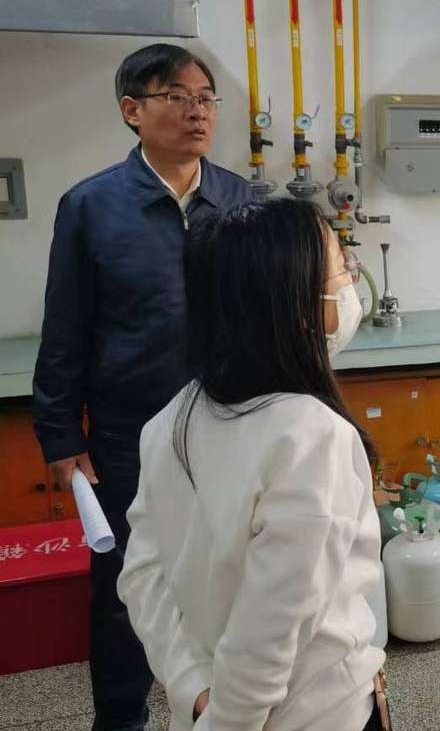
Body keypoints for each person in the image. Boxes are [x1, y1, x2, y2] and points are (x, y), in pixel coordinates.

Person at [32, 43, 252, 731]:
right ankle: (122, 718)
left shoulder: (242, 201)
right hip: (129, 434)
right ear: (132, 110)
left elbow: (270, 314)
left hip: (230, 426)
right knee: (128, 584)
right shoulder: (91, 205)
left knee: (233, 572)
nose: (198, 112)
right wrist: (60, 434)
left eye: (206, 99)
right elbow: (65, 324)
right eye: (177, 98)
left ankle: (232, 707)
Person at [117, 198, 386, 730]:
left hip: (207, 705)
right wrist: (227, 720)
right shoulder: (312, 438)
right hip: (310, 715)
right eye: (343, 268)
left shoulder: (172, 419)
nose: (351, 284)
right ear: (297, 303)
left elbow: (143, 575)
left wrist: (195, 687)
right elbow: (273, 625)